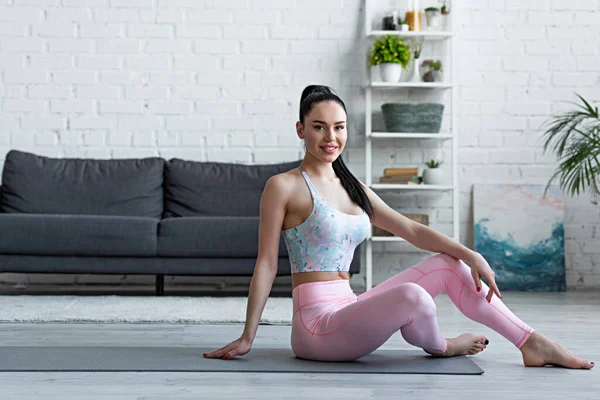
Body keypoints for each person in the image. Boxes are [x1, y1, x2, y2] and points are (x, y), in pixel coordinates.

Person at [204, 85, 594, 369]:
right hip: (316, 327)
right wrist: (247, 336)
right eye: (319, 127)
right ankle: (441, 345)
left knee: (450, 264)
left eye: (339, 127)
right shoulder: (283, 186)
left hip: (350, 307)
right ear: (301, 129)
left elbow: (412, 230)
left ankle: (531, 342)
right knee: (411, 295)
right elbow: (267, 263)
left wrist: (471, 253)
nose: (331, 136)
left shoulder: (355, 189)